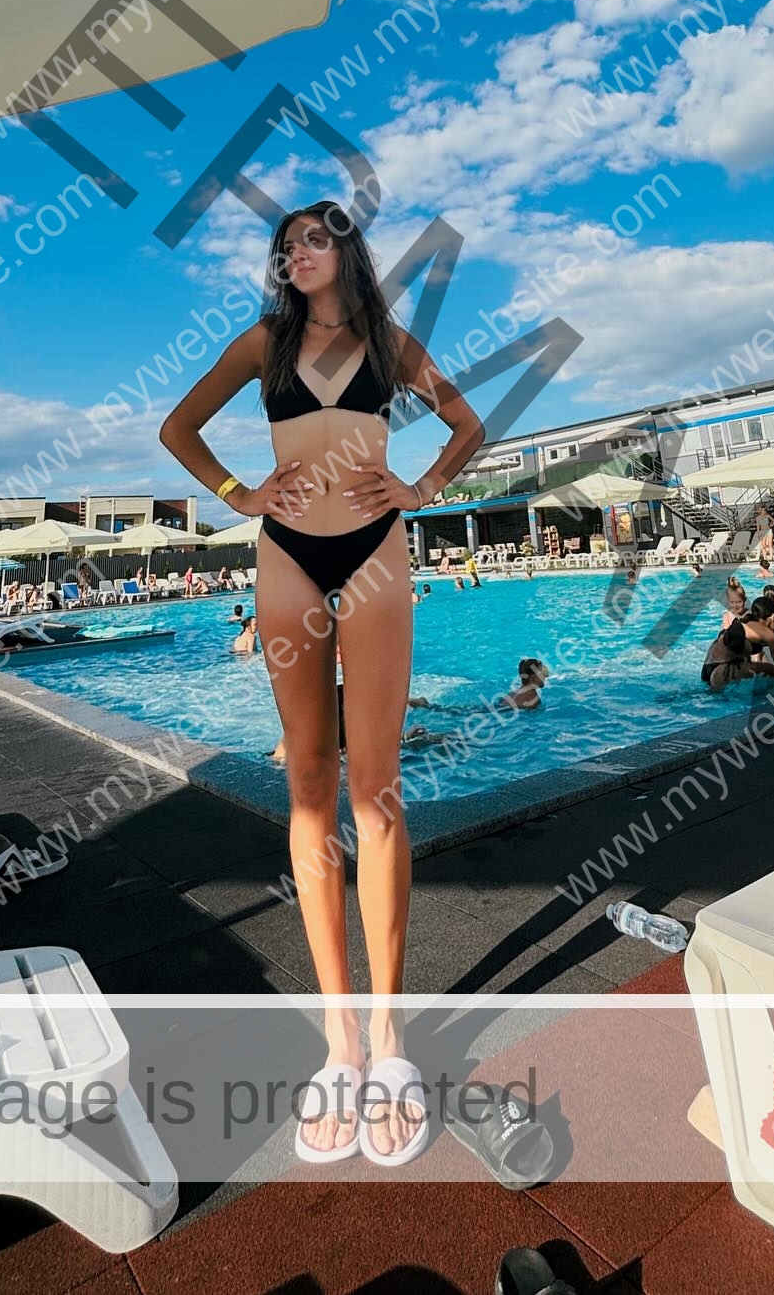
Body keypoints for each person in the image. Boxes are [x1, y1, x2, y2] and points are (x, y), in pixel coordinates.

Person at [158, 199, 484, 1163]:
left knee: (376, 796)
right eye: (284, 243)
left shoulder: (390, 342)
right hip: (288, 557)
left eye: (313, 238)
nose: (296, 252)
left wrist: (424, 488)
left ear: (346, 250)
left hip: (378, 551)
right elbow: (179, 427)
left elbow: (465, 423)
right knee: (308, 786)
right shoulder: (264, 341)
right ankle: (339, 1043)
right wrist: (241, 496)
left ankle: (389, 1045)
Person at [701, 599, 774, 692]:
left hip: (708, 669)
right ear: (773, 617)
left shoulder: (745, 622)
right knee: (772, 671)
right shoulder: (768, 634)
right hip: (723, 670)